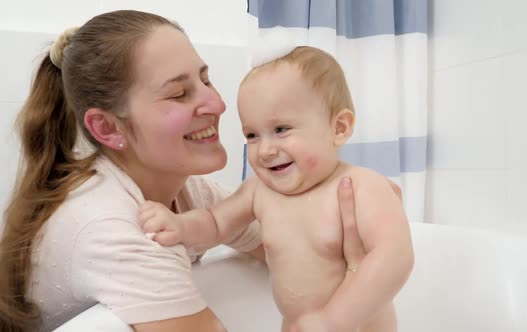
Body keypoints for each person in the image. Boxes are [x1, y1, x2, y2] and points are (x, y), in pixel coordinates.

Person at [0, 10, 380, 332]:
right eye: (179, 93)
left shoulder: (189, 191)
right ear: (108, 129)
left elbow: (284, 248)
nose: (216, 103)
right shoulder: (113, 230)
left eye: (205, 79)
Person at [139, 46, 414, 332]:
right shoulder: (259, 191)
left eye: (281, 129)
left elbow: (395, 256)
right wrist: (180, 225)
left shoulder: (361, 186)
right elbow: (215, 222)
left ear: (339, 128)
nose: (266, 150)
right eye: (252, 135)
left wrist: (334, 319)